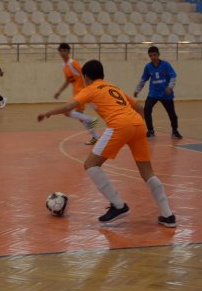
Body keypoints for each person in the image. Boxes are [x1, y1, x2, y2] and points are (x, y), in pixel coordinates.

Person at [38, 59, 176, 227]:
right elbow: (140, 108)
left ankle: (119, 206)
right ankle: (168, 215)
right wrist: (138, 127)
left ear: (86, 77)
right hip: (138, 125)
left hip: (119, 126)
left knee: (90, 164)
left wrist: (48, 113)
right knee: (148, 173)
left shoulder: (90, 89)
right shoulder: (113, 87)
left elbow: (70, 106)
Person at [53, 43, 100, 145]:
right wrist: (59, 91)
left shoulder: (73, 63)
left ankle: (91, 119)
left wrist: (89, 87)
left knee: (66, 111)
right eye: (61, 50)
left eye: (65, 50)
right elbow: (67, 81)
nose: (63, 52)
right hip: (76, 92)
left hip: (81, 92)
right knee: (80, 117)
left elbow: (85, 73)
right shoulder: (65, 66)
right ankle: (96, 136)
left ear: (68, 52)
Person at [133, 46, 181, 139]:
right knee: (147, 110)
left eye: (155, 55)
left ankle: (175, 131)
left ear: (158, 54)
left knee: (172, 114)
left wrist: (170, 87)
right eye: (151, 56)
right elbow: (143, 80)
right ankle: (150, 131)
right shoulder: (148, 67)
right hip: (153, 94)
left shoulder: (166, 65)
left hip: (166, 94)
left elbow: (173, 76)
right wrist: (137, 90)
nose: (153, 57)